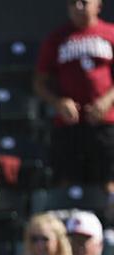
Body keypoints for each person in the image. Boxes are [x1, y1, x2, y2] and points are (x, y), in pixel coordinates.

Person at [34, 0, 114, 195]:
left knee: (109, 185)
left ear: (98, 6)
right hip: (68, 124)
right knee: (65, 187)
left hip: (105, 124)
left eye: (84, 2)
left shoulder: (110, 33)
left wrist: (107, 100)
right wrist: (58, 103)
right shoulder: (57, 38)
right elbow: (39, 83)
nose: (78, 7)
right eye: (72, 3)